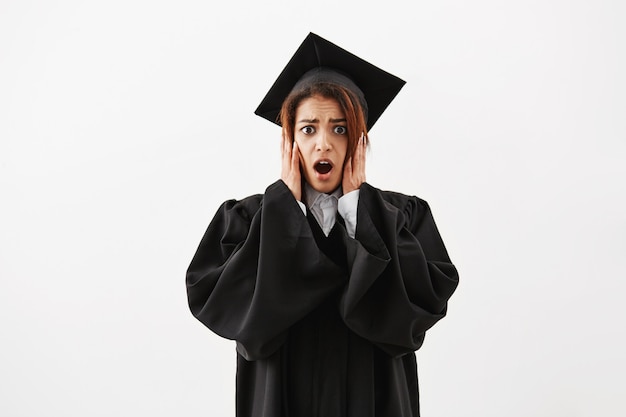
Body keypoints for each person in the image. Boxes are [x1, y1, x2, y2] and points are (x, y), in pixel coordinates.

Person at [186, 32, 459, 417]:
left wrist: (359, 212)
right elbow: (239, 321)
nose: (324, 144)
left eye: (340, 128)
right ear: (289, 140)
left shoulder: (402, 218)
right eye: (309, 128)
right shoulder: (248, 222)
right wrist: (284, 215)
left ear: (359, 141)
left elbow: (410, 322)